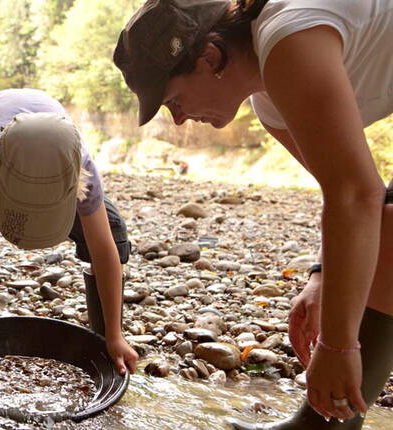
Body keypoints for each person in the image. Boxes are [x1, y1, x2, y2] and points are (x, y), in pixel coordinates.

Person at [113, 0, 393, 428]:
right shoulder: (271, 106)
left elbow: (357, 195)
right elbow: (344, 189)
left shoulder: (287, 38)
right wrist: (321, 276)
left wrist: (337, 347)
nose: (180, 118)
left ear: (209, 57)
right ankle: (324, 424)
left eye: (172, 99)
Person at [0, 88, 139, 377]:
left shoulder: (80, 169)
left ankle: (107, 347)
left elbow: (104, 251)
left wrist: (116, 335)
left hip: (55, 156)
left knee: (114, 234)